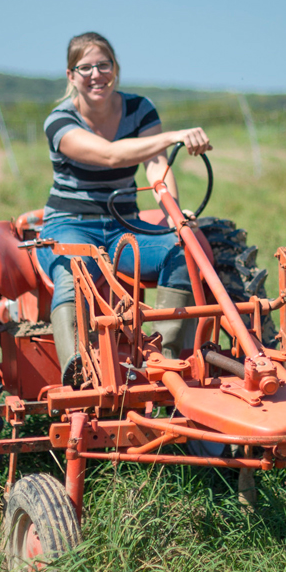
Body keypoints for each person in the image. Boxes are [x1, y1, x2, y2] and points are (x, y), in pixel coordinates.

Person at [38, 32, 212, 369]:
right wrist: (174, 135)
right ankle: (79, 371)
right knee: (74, 273)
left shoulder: (139, 109)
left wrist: (173, 214)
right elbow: (108, 155)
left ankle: (167, 363)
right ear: (70, 75)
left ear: (115, 68)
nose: (95, 75)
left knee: (182, 252)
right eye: (84, 67)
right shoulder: (59, 120)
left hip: (124, 224)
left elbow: (156, 164)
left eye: (103, 65)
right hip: (71, 225)